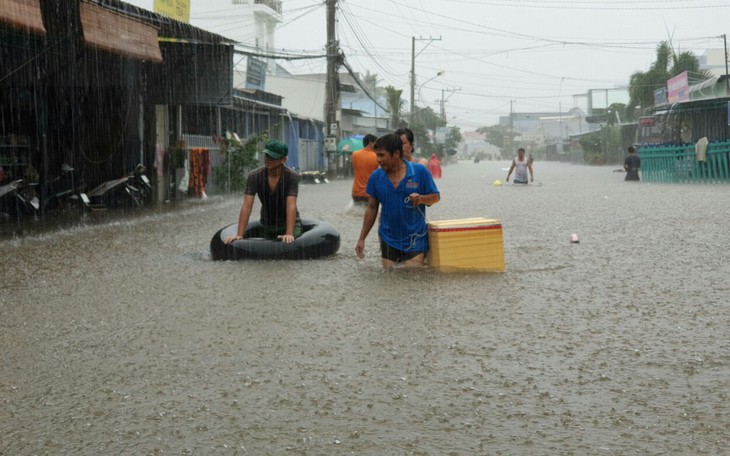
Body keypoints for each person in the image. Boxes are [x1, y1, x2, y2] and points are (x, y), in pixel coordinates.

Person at [356, 133, 440, 269]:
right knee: (390, 278)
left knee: (412, 273)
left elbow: (435, 197)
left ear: (395, 153)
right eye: (376, 155)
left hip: (415, 237)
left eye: (381, 155)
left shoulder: (419, 172)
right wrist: (362, 239)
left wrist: (421, 199)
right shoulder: (376, 177)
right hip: (388, 237)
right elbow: (372, 208)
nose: (377, 160)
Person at [224, 139, 301, 245]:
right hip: (266, 225)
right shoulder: (254, 176)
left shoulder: (292, 176)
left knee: (289, 245)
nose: (267, 160)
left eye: (272, 157)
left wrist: (289, 233)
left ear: (283, 159)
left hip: (288, 224)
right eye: (266, 156)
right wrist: (239, 235)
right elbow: (247, 206)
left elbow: (291, 206)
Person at [350, 134, 378, 204]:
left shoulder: (354, 154)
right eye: (376, 143)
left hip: (356, 192)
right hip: (369, 193)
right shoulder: (377, 157)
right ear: (371, 143)